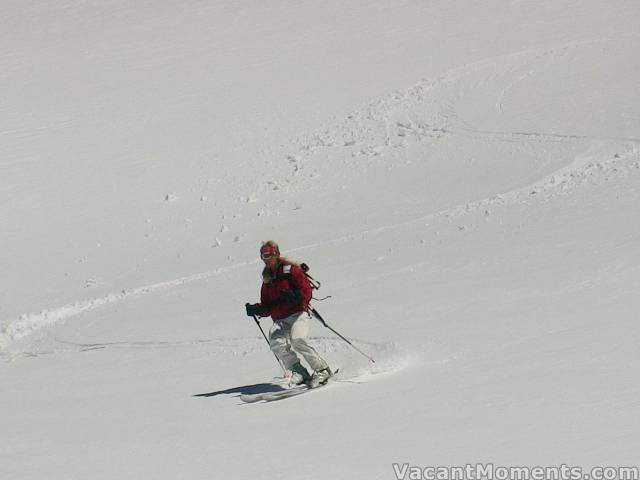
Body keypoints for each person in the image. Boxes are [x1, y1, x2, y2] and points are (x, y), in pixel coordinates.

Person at [246, 241, 332, 387]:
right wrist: (256, 309)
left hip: (298, 313)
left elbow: (306, 290)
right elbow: (267, 307)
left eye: (267, 255)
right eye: (262, 256)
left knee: (297, 339)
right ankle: (299, 371)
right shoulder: (267, 280)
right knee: (276, 342)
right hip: (280, 319)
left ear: (276, 254)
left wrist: (297, 296)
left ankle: (322, 369)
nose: (265, 259)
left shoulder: (290, 271)